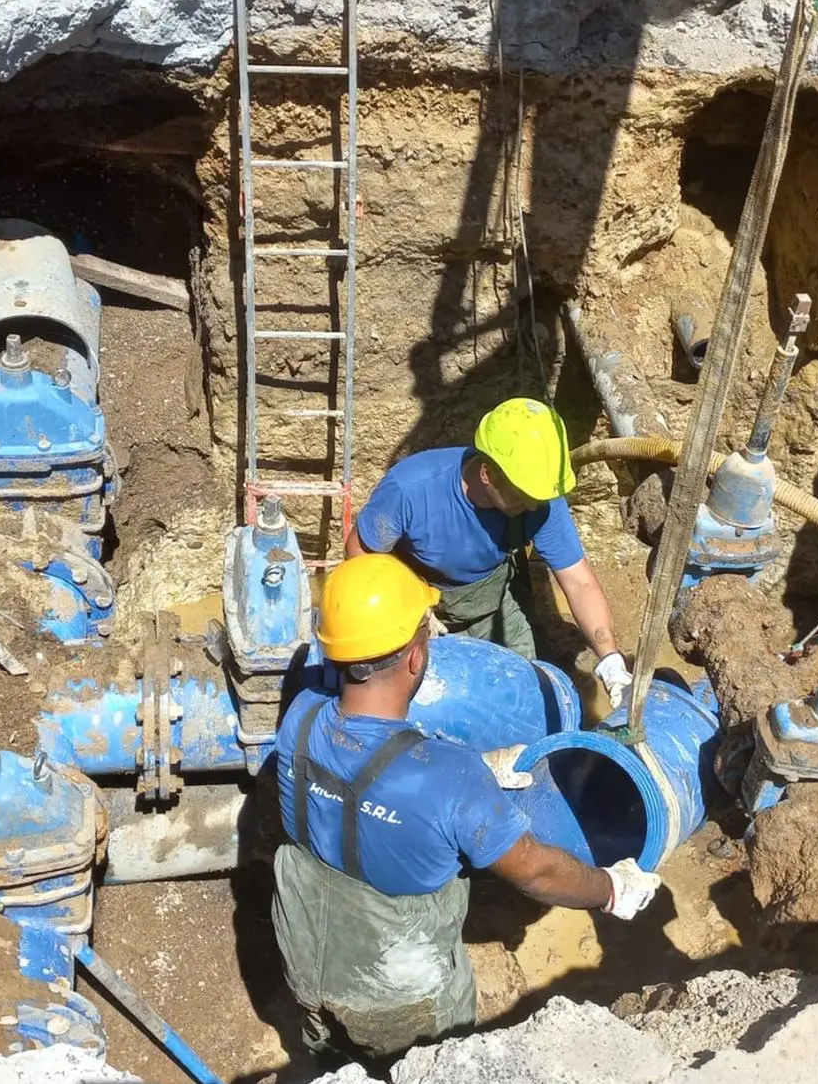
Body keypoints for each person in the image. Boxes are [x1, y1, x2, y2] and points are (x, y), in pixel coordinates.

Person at [271, 553, 663, 1058]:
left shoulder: (298, 719)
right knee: (428, 1063)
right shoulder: (450, 778)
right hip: (398, 990)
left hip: (304, 948)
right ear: (416, 656)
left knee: (326, 1052)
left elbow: (362, 777)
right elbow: (538, 872)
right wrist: (611, 888)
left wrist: (469, 776)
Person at [346, 396, 633, 706]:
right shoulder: (412, 489)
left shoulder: (540, 500)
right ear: (487, 474)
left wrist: (611, 660)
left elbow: (580, 582)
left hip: (490, 606)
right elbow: (360, 553)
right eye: (524, 495)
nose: (535, 505)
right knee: (430, 705)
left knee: (524, 697)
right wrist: (409, 608)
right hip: (415, 608)